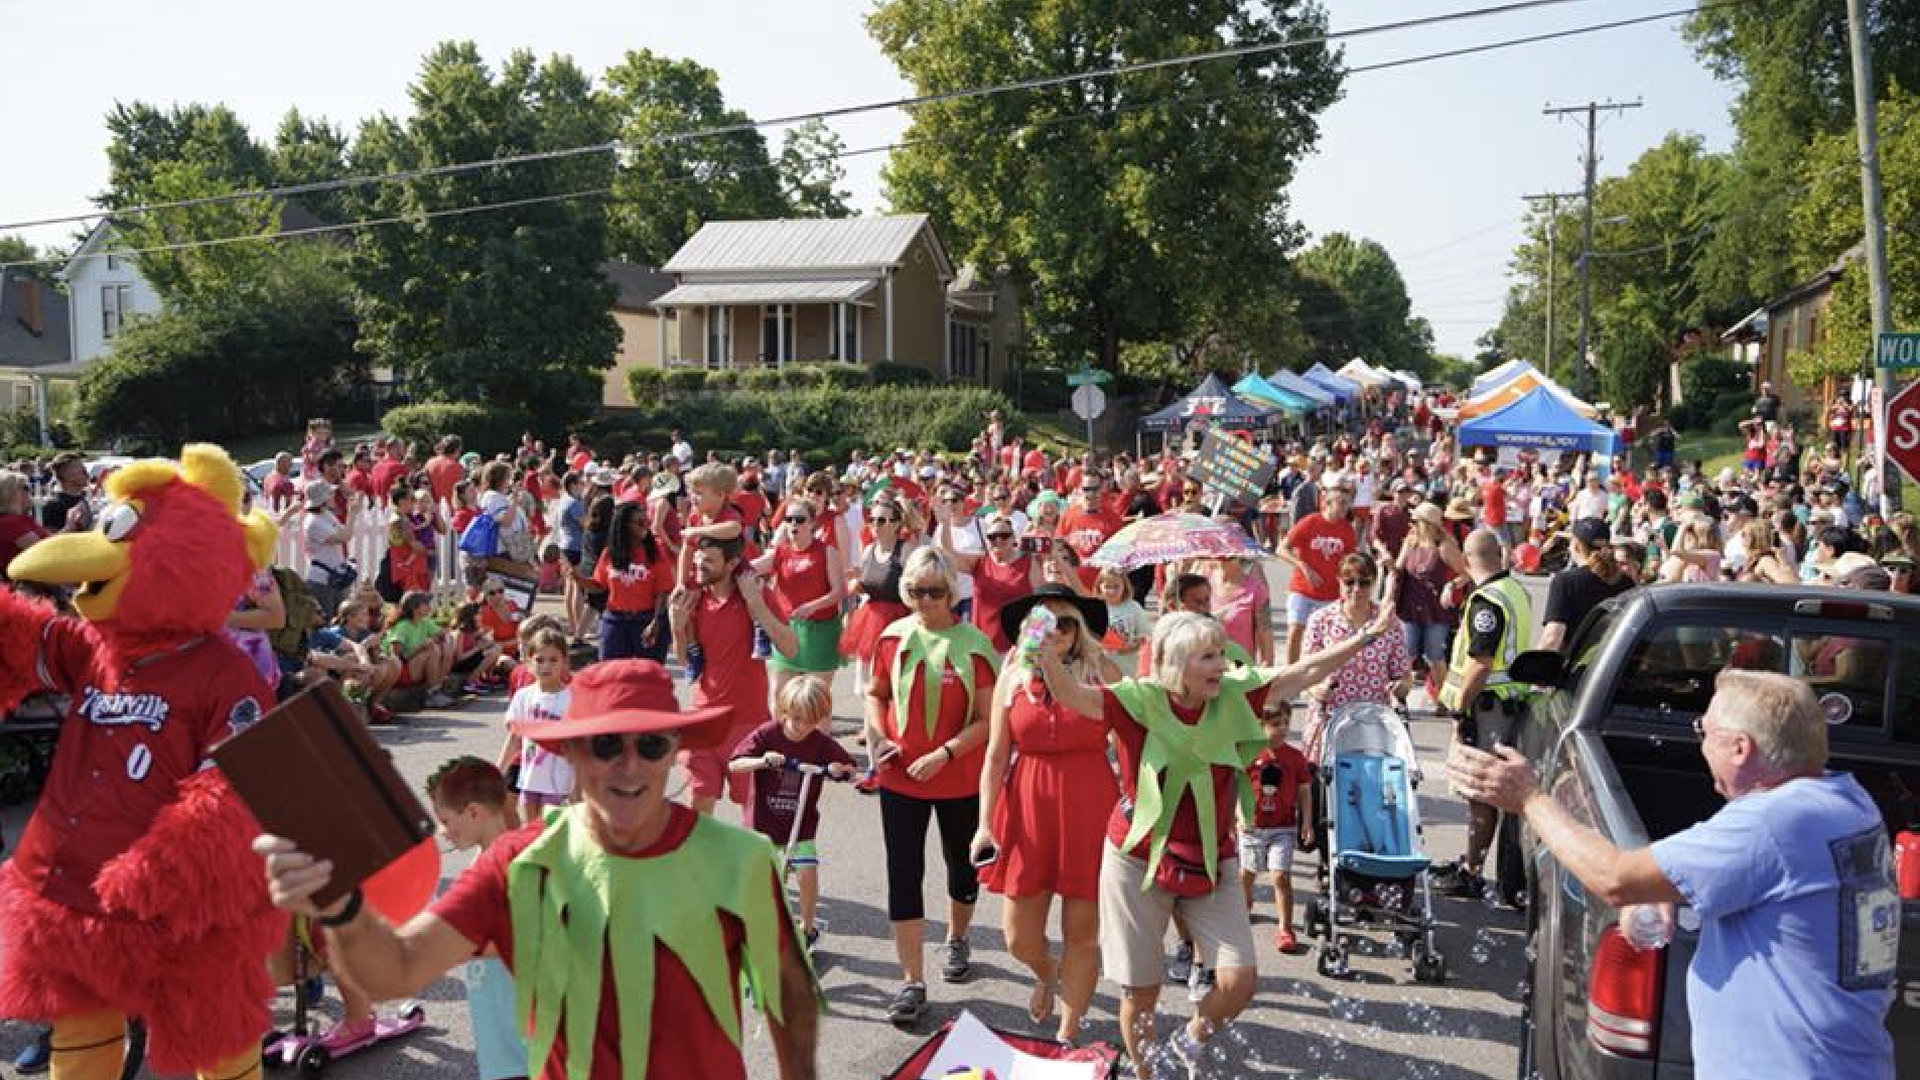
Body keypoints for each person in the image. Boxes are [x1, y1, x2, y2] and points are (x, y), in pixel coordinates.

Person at [257, 659, 822, 1080]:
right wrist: (340, 908)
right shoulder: (519, 861)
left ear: (675, 749)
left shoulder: (741, 859)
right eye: (605, 746)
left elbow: (790, 992)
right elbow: (396, 971)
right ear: (571, 753)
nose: (629, 766)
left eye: (650, 745)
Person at [1452, 670, 1895, 1080]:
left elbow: (1615, 879)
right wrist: (1676, 886)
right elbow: (1788, 901)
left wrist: (1530, 798)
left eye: (1705, 731)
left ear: (1741, 748)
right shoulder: (1846, 802)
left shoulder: (1774, 823)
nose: (1699, 742)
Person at [1032, 608, 1394, 1079]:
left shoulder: (1236, 695)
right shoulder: (1136, 700)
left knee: (1239, 980)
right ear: (1177, 662)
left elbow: (1303, 671)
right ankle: (1147, 1073)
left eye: (1221, 653)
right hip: (1137, 858)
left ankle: (1190, 1038)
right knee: (1141, 994)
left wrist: (1366, 636)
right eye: (1208, 656)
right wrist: (1042, 651)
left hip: (1211, 855)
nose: (1222, 665)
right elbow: (1072, 695)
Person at [971, 585, 1121, 1044]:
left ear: (1079, 631)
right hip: (1027, 806)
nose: (1055, 631)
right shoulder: (1012, 675)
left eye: (1066, 623)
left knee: (1082, 933)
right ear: (1026, 630)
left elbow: (1136, 741)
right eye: (1043, 623)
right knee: (1018, 937)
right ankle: (1046, 973)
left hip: (1091, 805)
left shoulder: (1103, 672)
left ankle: (1066, 1035)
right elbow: (996, 756)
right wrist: (984, 824)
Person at [864, 547, 998, 1026]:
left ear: (952, 593)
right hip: (900, 778)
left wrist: (945, 754)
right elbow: (875, 694)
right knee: (904, 874)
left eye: (935, 592)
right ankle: (911, 981)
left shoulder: (975, 644)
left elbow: (988, 721)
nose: (926, 601)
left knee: (961, 871)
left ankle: (958, 939)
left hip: (958, 778)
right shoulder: (892, 637)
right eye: (917, 591)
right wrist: (877, 739)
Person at [1434, 530, 1532, 906]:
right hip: (1508, 704)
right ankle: (1487, 869)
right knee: (1495, 793)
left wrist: (1459, 706)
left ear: (1469, 558)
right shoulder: (1514, 590)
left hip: (1487, 707)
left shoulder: (1486, 601)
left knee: (1479, 792)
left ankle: (1473, 872)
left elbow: (1481, 661)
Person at [668, 536, 796, 814]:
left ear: (732, 563)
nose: (700, 567)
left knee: (752, 808)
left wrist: (757, 604)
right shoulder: (693, 599)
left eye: (709, 561)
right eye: (699, 560)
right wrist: (678, 629)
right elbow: (684, 661)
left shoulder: (755, 593)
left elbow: (791, 647)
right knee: (699, 804)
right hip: (704, 720)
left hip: (747, 725)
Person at [728, 675, 857, 948]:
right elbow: (735, 764)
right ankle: (754, 930)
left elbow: (850, 769)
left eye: (810, 721)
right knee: (762, 883)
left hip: (801, 827)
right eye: (796, 718)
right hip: (763, 824)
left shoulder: (820, 743)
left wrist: (838, 770)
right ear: (784, 710)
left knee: (806, 874)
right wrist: (762, 761)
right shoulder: (767, 734)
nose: (802, 727)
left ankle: (807, 928)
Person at [1300, 553, 1411, 762]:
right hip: (1329, 718)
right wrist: (1316, 689)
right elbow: (1304, 672)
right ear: (1338, 581)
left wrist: (1400, 687)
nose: (1357, 590)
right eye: (1349, 582)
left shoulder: (1389, 622)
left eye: (1364, 583)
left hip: (1372, 723)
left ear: (1374, 583)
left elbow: (1404, 676)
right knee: (1325, 790)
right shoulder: (1321, 620)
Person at [1239, 700, 1312, 953]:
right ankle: (1245, 906)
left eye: (1286, 723)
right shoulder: (1248, 754)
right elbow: (1236, 787)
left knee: (1280, 876)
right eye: (1275, 724)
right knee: (1246, 875)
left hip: (1284, 827)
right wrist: (1237, 815)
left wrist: (1307, 822)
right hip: (1253, 826)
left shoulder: (1295, 757)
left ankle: (1285, 928)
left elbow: (1304, 792)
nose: (1282, 729)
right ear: (1260, 725)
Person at [754, 496, 845, 696]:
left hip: (820, 632)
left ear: (812, 523)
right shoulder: (781, 552)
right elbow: (752, 568)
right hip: (786, 630)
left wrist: (813, 606)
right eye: (789, 519)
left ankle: (820, 730)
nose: (793, 523)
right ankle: (780, 729)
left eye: (800, 519)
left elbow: (840, 591)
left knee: (816, 699)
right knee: (780, 693)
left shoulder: (827, 551)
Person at [495, 628, 574, 822]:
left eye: (553, 660)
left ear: (564, 661)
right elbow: (514, 738)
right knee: (531, 833)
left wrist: (580, 785)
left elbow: (580, 746)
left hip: (559, 781)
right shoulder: (524, 696)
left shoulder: (572, 698)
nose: (546, 666)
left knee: (551, 834)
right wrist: (498, 771)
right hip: (530, 778)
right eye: (540, 660)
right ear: (529, 661)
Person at [938, 511, 1044, 651]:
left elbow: (1041, 605)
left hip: (1017, 648)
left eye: (1004, 536)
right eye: (992, 537)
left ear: (1014, 538)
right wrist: (945, 522)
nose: (998, 540)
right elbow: (947, 553)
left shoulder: (1028, 563)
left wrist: (1032, 647)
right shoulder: (980, 562)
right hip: (981, 646)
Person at [1281, 480, 1356, 665]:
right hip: (1303, 589)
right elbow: (1282, 548)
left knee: (1328, 639)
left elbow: (1349, 561)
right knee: (1295, 632)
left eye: (1347, 503)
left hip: (1330, 593)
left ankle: (1322, 679)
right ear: (1327, 503)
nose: (1345, 508)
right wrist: (1303, 566)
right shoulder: (1310, 522)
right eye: (1341, 503)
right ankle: (1291, 677)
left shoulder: (1347, 530)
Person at [1392, 500, 1464, 686]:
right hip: (1409, 607)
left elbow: (1467, 572)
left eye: (1415, 522)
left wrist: (1451, 586)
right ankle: (1398, 699)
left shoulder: (1444, 547)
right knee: (1405, 656)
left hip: (1436, 611)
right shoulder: (1411, 541)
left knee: (1435, 656)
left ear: (1427, 525)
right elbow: (1398, 568)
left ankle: (1444, 700)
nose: (1411, 525)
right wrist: (1388, 565)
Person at [593, 501, 673, 663]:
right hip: (615, 621)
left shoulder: (655, 551)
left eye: (646, 521)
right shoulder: (610, 553)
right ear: (624, 526)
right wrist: (575, 576)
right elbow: (598, 585)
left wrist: (656, 622)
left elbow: (663, 591)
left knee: (649, 675)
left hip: (646, 620)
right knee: (611, 673)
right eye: (639, 522)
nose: (645, 525)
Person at [1538, 517, 1633, 652]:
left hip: (1579, 668)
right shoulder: (1626, 582)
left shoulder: (1566, 581)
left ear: (1576, 545)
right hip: (1615, 665)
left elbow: (1552, 639)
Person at [384, 590, 458, 709]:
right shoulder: (402, 626)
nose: (429, 606)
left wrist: (446, 640)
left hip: (415, 668)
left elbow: (443, 634)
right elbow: (396, 657)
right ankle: (433, 693)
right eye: (426, 603)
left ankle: (435, 691)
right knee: (432, 649)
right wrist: (420, 648)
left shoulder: (425, 622)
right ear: (415, 608)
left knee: (443, 647)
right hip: (401, 672)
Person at [0, 469, 49, 580]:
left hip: (40, 579)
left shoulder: (19, 519)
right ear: (10, 493)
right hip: (31, 586)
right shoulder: (9, 523)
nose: (30, 491)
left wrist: (68, 526)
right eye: (25, 488)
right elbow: (44, 550)